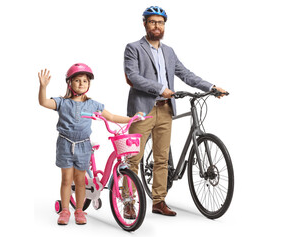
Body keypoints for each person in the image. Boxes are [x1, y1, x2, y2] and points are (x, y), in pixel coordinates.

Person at [124, 6, 227, 216]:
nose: (157, 26)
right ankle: (128, 202)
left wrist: (210, 87)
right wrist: (161, 88)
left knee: (162, 158)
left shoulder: (169, 51)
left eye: (160, 22)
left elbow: (185, 73)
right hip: (143, 110)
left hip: (165, 109)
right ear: (144, 23)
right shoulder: (133, 48)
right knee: (133, 158)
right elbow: (133, 76)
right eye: (152, 22)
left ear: (164, 25)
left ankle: (158, 201)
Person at [38, 63, 141, 225]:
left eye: (84, 81)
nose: (81, 84)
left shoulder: (93, 105)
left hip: (83, 145)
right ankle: (65, 210)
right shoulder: (62, 102)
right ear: (69, 83)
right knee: (66, 180)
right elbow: (43, 102)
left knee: (80, 180)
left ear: (89, 84)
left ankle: (79, 210)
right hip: (65, 144)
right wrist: (42, 87)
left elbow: (112, 117)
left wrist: (132, 118)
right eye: (77, 80)